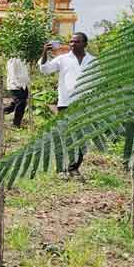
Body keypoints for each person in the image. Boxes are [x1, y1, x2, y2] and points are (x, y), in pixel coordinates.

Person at [39, 33, 95, 175]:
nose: (72, 44)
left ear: (85, 44)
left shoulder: (93, 61)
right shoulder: (62, 59)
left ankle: (74, 168)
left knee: (82, 137)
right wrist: (45, 52)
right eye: (70, 41)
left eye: (76, 42)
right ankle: (61, 168)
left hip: (84, 105)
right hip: (65, 103)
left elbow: (98, 82)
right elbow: (45, 69)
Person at [4, 57, 30, 128]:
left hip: (23, 86)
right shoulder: (13, 60)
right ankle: (16, 124)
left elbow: (24, 72)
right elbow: (12, 73)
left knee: (18, 103)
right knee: (21, 103)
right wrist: (17, 85)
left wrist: (27, 82)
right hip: (15, 86)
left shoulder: (23, 59)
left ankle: (3, 111)